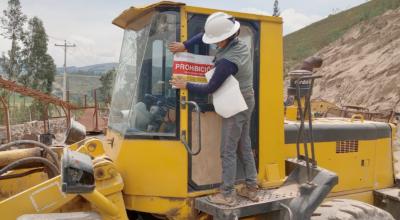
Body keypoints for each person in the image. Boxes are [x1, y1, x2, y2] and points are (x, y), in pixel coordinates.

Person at [169, 12, 258, 206]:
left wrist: (186, 85)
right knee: (244, 144)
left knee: (228, 149)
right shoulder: (231, 38)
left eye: (217, 42)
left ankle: (227, 195)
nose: (214, 44)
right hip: (245, 98)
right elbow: (205, 34)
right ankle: (252, 188)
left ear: (226, 37)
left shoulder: (229, 61)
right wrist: (186, 44)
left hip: (237, 103)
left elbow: (211, 87)